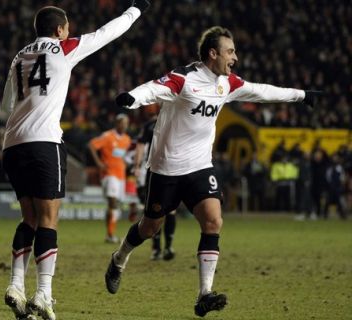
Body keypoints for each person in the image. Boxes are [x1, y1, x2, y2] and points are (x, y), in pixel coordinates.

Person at [105, 26, 322, 317]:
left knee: (213, 220)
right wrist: (132, 98)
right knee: (149, 228)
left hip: (199, 167)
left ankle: (204, 293)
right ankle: (119, 259)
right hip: (166, 168)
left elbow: (260, 91)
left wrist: (301, 95)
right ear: (213, 53)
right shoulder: (184, 78)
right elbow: (155, 88)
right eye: (230, 51)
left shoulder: (227, 84)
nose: (235, 57)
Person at [0, 2, 150, 320]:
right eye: (67, 27)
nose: (69, 31)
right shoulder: (64, 48)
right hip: (45, 143)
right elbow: (108, 32)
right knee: (48, 221)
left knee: (28, 219)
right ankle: (43, 294)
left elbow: (7, 102)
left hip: (13, 144)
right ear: (59, 30)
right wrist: (135, 11)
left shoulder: (19, 57)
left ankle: (16, 285)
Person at [133, 113, 177, 260]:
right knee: (155, 210)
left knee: (171, 210)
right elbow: (140, 144)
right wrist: (137, 165)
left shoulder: (177, 119)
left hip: (175, 169)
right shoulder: (149, 125)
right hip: (154, 170)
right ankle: (156, 248)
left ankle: (168, 247)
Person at [89, 114, 132, 244]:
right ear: (117, 123)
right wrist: (98, 163)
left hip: (121, 175)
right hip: (109, 174)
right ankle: (110, 234)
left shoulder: (127, 139)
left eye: (126, 123)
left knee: (115, 205)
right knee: (112, 203)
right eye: (122, 123)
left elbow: (124, 156)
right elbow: (91, 145)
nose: (124, 126)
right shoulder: (107, 136)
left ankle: (110, 234)